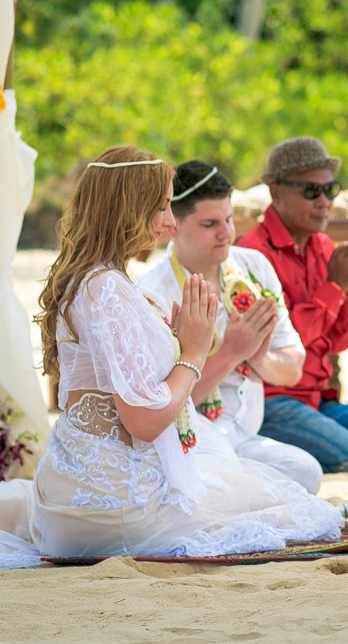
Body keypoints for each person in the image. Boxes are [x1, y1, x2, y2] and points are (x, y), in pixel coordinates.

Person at [0, 146, 341, 568]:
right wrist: (192, 352)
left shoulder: (97, 279)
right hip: (116, 506)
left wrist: (171, 343)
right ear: (130, 207)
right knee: (291, 509)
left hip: (81, 493)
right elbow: (145, 421)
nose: (170, 222)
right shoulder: (106, 287)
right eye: (164, 207)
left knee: (267, 490)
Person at [137, 161, 323, 494]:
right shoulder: (152, 292)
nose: (226, 233)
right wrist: (230, 354)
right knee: (220, 479)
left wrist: (257, 358)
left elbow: (293, 369)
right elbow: (159, 411)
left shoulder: (253, 267)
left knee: (307, 471)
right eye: (210, 224)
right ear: (172, 226)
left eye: (228, 219)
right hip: (188, 443)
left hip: (245, 438)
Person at [236, 137, 348, 472]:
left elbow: (338, 342)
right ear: (276, 192)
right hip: (270, 399)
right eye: (312, 192)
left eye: (330, 190)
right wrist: (334, 288)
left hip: (315, 397)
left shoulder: (323, 246)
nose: (325, 202)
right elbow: (281, 342)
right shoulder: (253, 254)